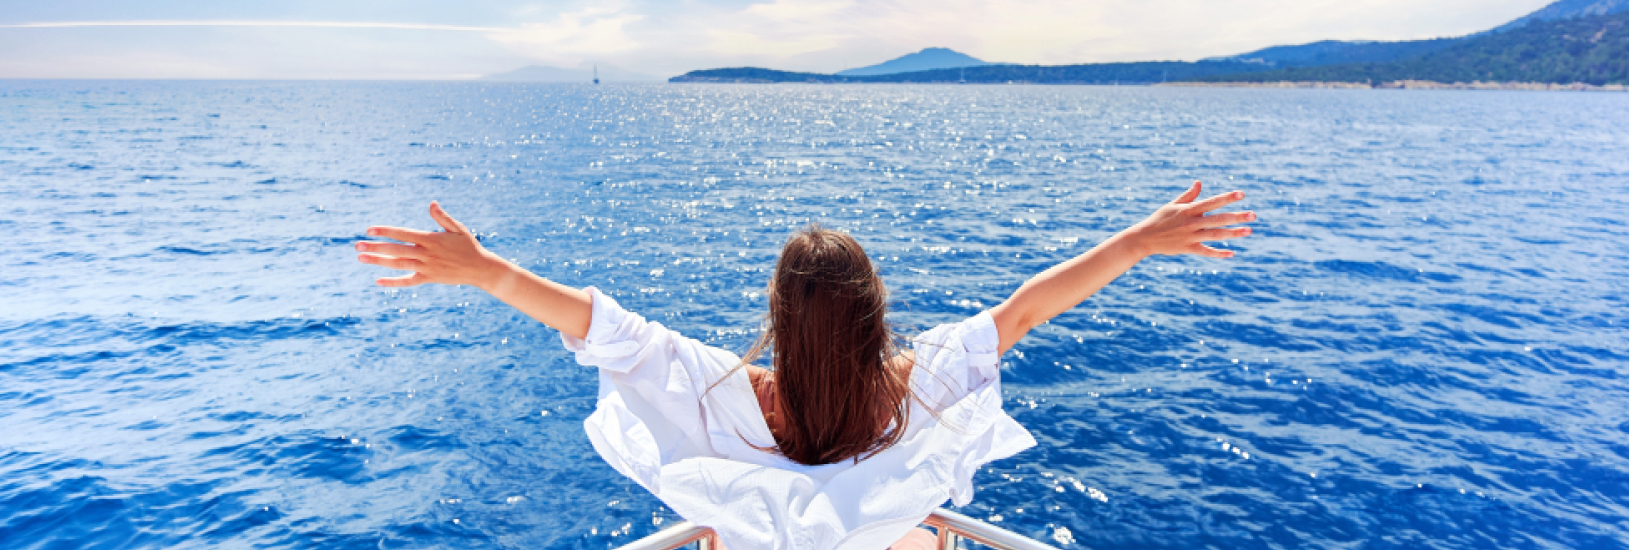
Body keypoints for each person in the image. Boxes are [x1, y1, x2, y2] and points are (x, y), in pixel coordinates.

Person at [355, 181, 1254, 550]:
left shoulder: (719, 390)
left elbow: (605, 328)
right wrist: (1140, 239)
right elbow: (1027, 308)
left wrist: (485, 270)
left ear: (777, 316)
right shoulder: (917, 390)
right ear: (875, 315)